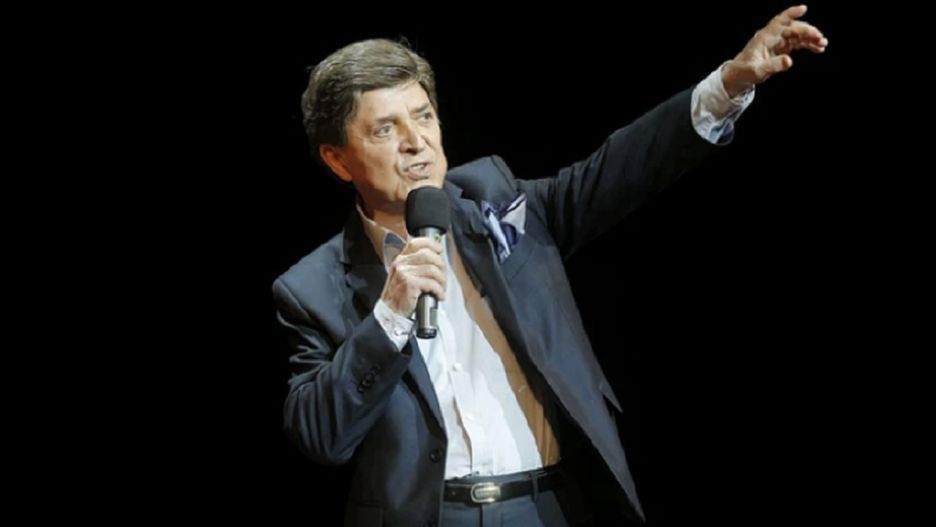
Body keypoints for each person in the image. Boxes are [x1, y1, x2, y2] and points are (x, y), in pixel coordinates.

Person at [274, 5, 827, 526]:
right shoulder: (311, 288)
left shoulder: (497, 201)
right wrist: (390, 317)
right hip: (432, 515)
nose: (416, 143)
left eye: (424, 117)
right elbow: (321, 436)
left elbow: (618, 169)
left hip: (551, 506)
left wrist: (729, 84)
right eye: (385, 129)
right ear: (337, 159)